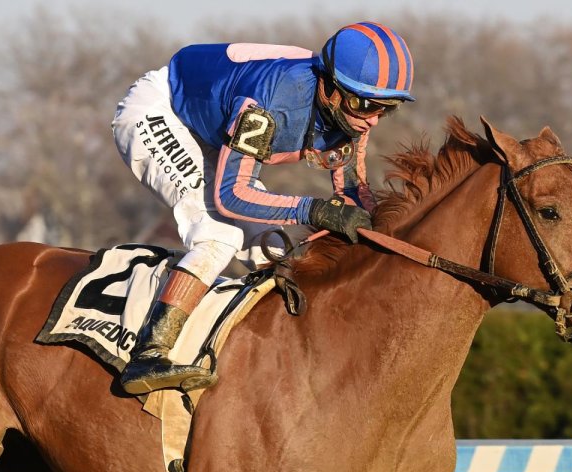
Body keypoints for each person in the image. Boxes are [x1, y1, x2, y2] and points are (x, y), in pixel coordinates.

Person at [113, 22, 415, 395]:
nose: (372, 119)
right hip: (162, 112)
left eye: (387, 109)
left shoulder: (352, 115)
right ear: (330, 88)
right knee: (217, 236)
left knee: (273, 247)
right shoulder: (269, 104)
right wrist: (314, 210)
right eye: (363, 104)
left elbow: (353, 196)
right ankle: (149, 352)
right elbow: (231, 196)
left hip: (213, 128)